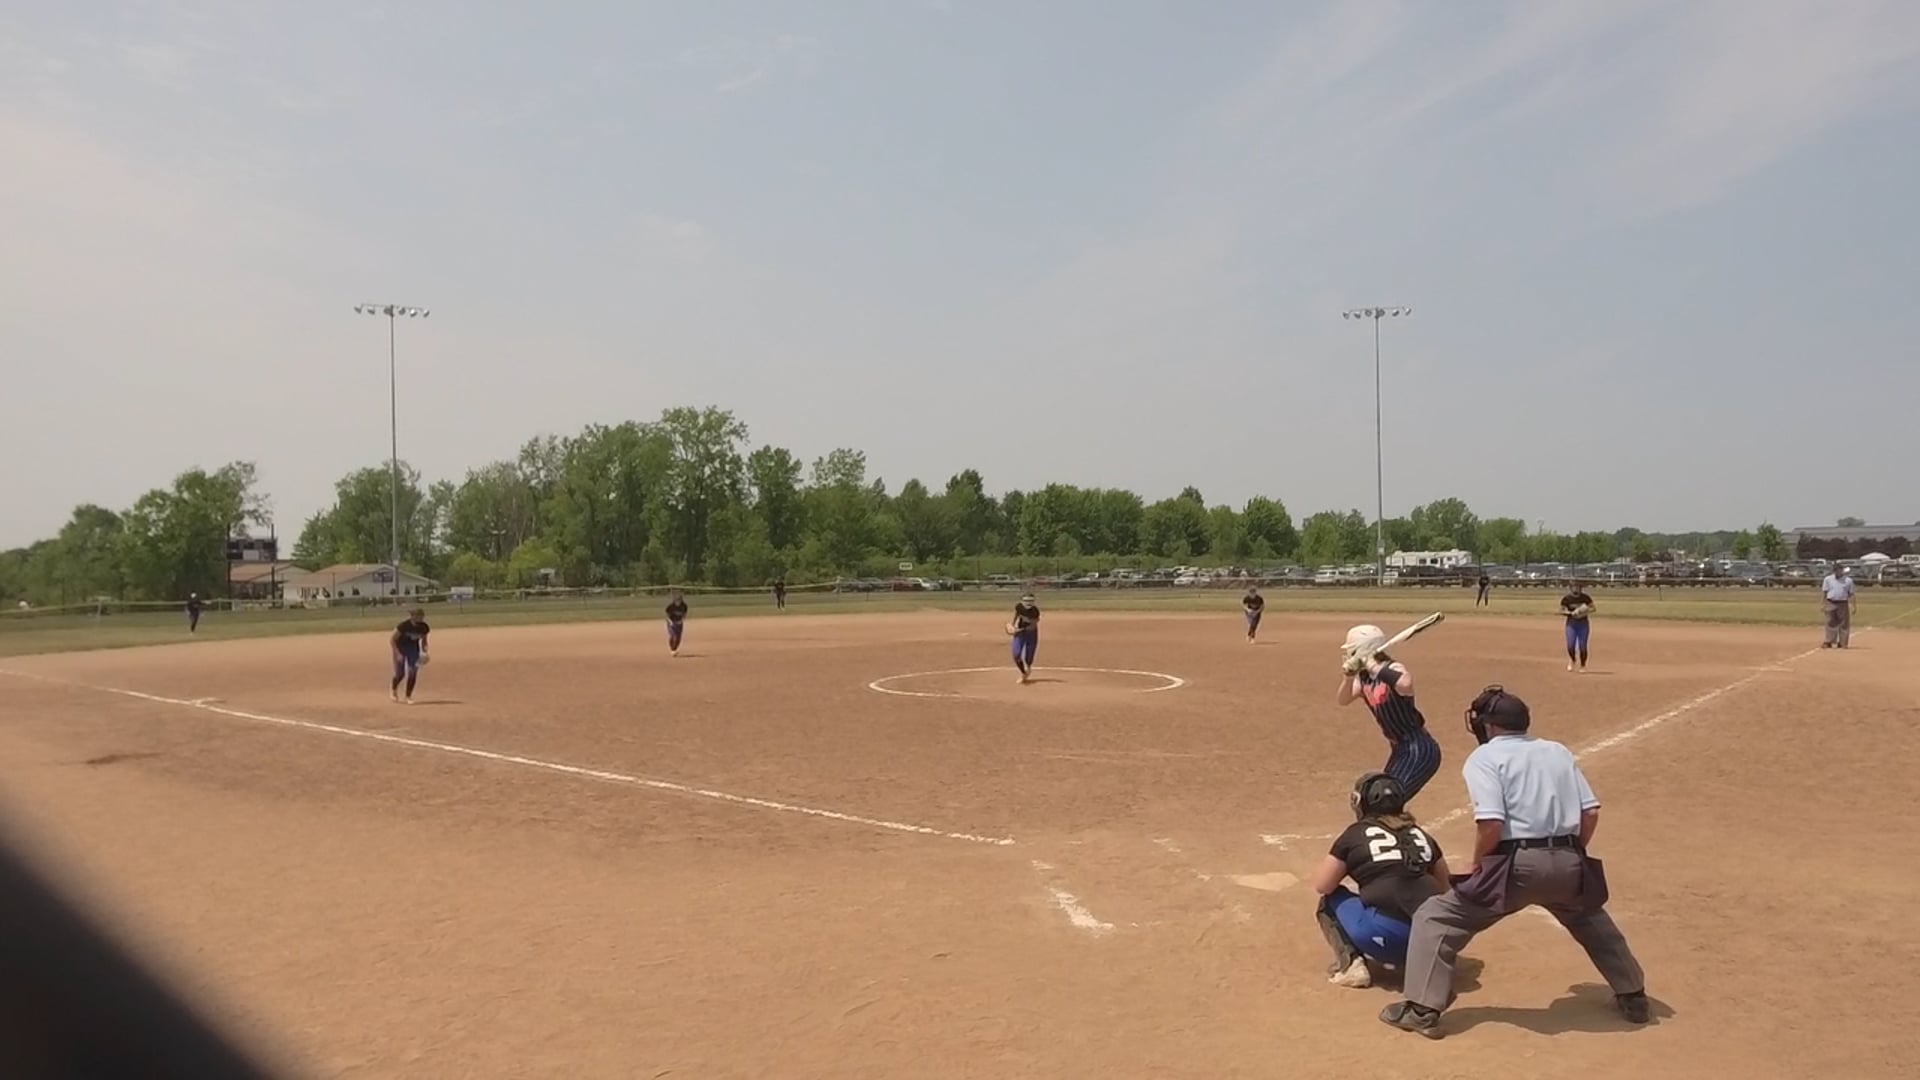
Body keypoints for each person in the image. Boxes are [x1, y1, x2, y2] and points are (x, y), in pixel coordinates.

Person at [1379, 685, 1649, 1039]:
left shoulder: (1485, 757)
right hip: (1568, 860)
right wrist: (1571, 854)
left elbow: (1491, 823)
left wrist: (1480, 864)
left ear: (1488, 726)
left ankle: (1421, 1009)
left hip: (1516, 866)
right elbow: (1590, 812)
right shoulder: (1557, 751)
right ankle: (1633, 994)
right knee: (1589, 918)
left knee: (1436, 917)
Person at [1311, 772, 1452, 989]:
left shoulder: (1355, 834)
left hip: (1388, 938)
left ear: (1361, 803)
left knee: (1330, 900)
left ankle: (1351, 966)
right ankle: (1420, 962)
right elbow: (1445, 887)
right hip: (1436, 942)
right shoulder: (1421, 835)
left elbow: (1323, 885)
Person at [1336, 625, 1443, 800]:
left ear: (1363, 649)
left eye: (1352, 650)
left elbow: (1405, 684)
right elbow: (1343, 699)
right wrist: (1348, 678)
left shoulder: (1394, 668)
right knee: (1377, 799)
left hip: (1418, 748)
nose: (1349, 654)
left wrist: (1372, 665)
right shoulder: (1364, 678)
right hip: (1399, 749)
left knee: (1386, 800)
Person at [389, 607, 431, 704]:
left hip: (413, 649)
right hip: (400, 648)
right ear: (412, 616)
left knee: (413, 672)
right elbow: (392, 640)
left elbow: (424, 640)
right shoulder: (403, 626)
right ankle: (394, 690)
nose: (421, 618)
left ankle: (408, 696)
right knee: (400, 674)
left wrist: (424, 651)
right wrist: (397, 653)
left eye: (422, 616)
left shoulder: (424, 627)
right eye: (418, 616)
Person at [1559, 580, 1596, 672]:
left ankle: (1583, 665)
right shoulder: (1567, 599)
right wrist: (1569, 613)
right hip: (1571, 623)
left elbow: (1593, 608)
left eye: (1578, 587)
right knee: (1570, 645)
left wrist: (1582, 611)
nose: (1576, 589)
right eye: (1574, 587)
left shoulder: (1585, 598)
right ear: (1571, 588)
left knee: (1582, 646)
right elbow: (1561, 610)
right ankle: (1573, 660)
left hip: (1583, 623)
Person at [1009, 592, 1041, 684]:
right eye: (1026, 600)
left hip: (1031, 633)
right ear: (1022, 601)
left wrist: (1018, 630)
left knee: (1029, 656)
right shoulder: (1019, 607)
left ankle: (1028, 668)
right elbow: (1017, 614)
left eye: (1031, 601)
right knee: (1016, 654)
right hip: (1020, 633)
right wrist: (1012, 625)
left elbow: (1032, 626)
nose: (1028, 603)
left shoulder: (1035, 611)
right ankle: (1023, 673)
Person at [1820, 565, 1855, 649]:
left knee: (1844, 623)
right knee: (1830, 622)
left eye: (1838, 570)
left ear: (1842, 570)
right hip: (1831, 602)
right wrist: (1822, 604)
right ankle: (1829, 641)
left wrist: (1853, 605)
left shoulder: (1848, 581)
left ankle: (1843, 643)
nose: (1837, 572)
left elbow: (1851, 594)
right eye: (1835, 570)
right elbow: (1824, 592)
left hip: (1843, 603)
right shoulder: (1828, 579)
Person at [665, 589, 689, 657]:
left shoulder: (684, 606)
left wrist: (681, 620)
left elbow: (684, 615)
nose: (678, 602)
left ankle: (675, 649)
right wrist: (670, 622)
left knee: (678, 637)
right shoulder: (671, 606)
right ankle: (672, 649)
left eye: (679, 600)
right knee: (673, 636)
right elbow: (667, 616)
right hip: (671, 622)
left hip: (679, 623)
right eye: (677, 600)